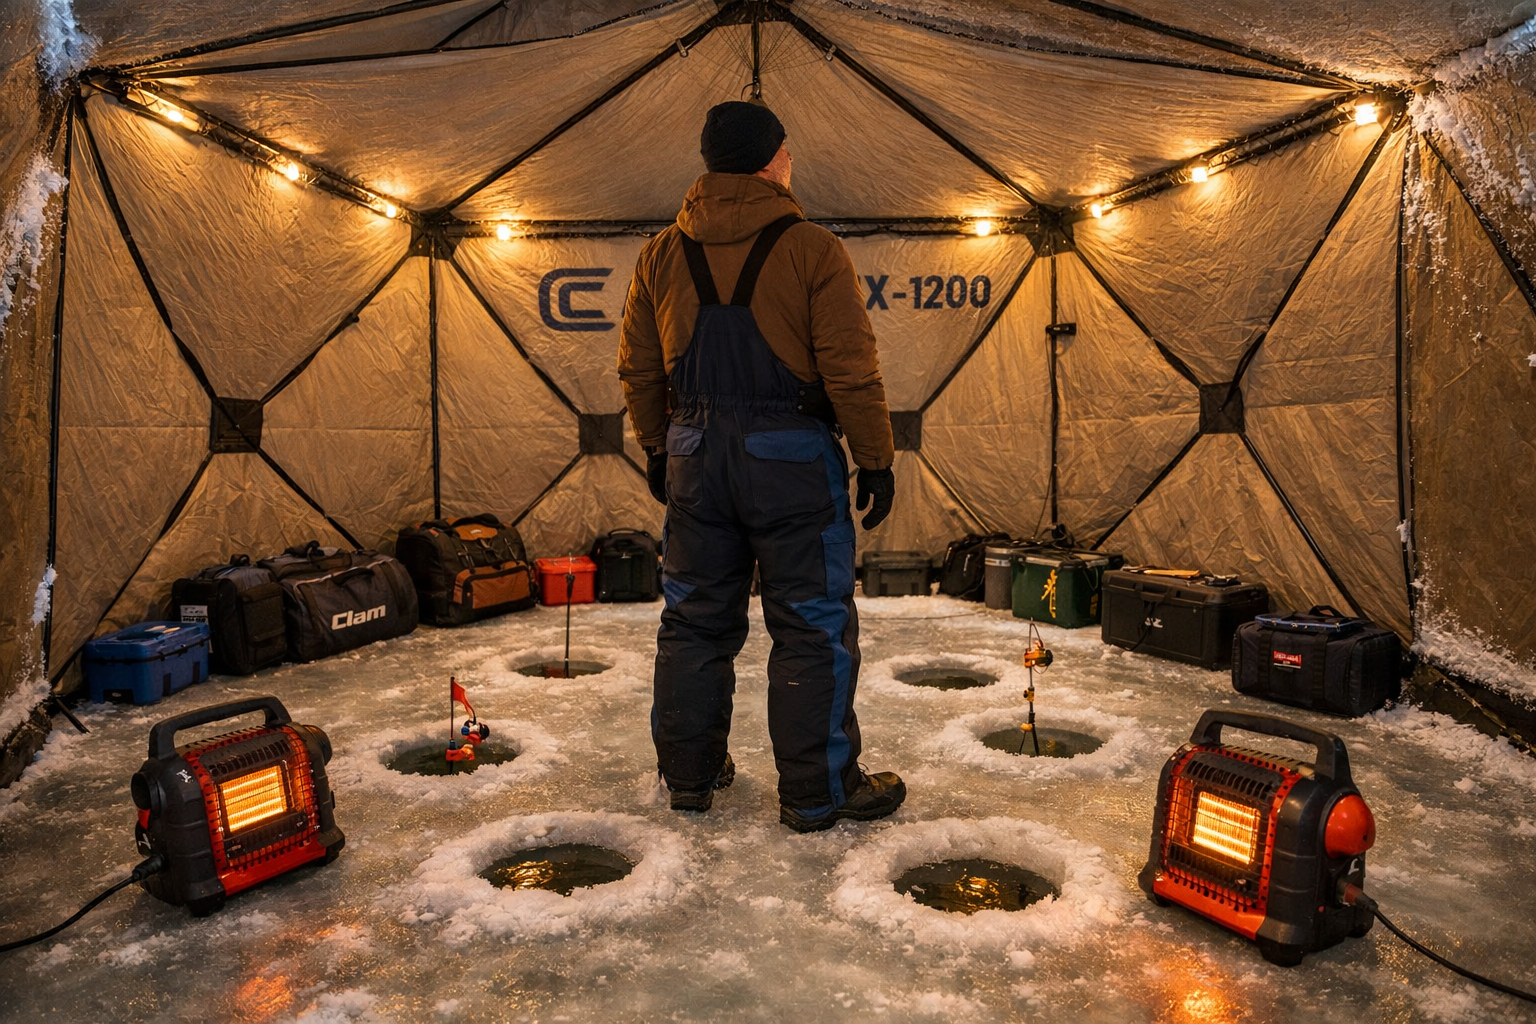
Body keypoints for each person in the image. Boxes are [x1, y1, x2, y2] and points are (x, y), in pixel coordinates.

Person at [618, 100, 905, 833]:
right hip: (791, 462)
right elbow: (850, 368)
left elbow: (639, 368)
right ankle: (817, 793)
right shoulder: (811, 248)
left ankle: (690, 777)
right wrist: (875, 459)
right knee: (810, 626)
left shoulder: (660, 253)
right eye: (787, 151)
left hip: (695, 457)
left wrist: (657, 446)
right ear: (774, 160)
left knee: (693, 623)